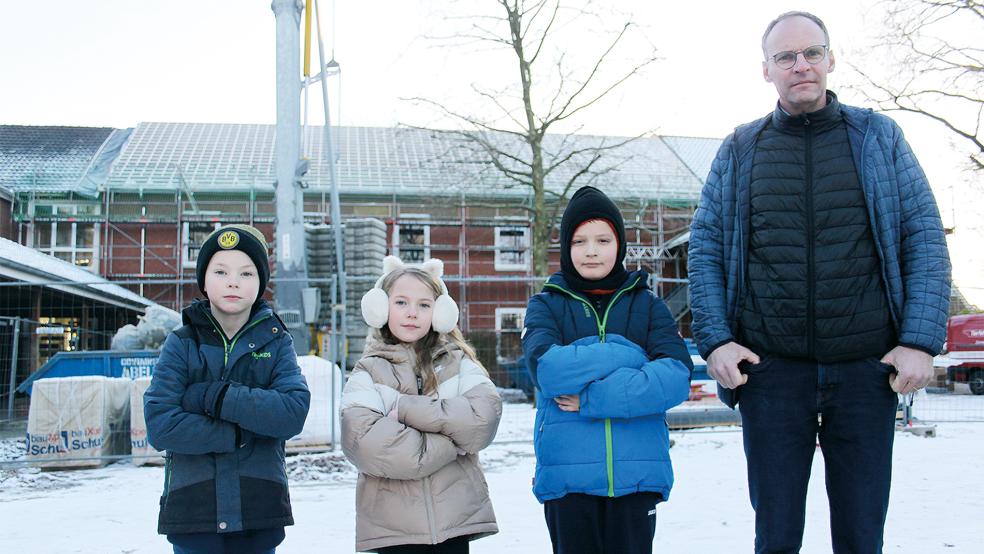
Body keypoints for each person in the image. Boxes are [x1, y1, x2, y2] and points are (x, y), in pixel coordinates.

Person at [688, 11, 951, 554]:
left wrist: (920, 340)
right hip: (771, 374)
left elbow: (923, 236)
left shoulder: (879, 138)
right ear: (767, 70)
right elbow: (706, 248)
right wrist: (715, 340)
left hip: (865, 372)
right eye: (786, 57)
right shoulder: (740, 149)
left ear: (831, 59)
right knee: (776, 537)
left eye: (811, 53)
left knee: (861, 536)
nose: (800, 65)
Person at [522, 185, 693, 554]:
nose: (592, 250)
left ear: (620, 245)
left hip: (636, 481)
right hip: (569, 483)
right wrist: (630, 355)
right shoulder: (546, 306)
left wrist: (592, 398)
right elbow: (548, 373)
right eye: (580, 241)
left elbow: (677, 377)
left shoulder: (647, 305)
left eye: (603, 239)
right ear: (566, 247)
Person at [144, 224, 311, 554]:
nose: (233, 281)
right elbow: (160, 424)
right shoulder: (181, 343)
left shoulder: (277, 342)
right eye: (220, 271)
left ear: (260, 283)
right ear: (204, 281)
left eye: (246, 273)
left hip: (259, 511)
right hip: (194, 511)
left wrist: (214, 397)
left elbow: (291, 414)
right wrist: (238, 434)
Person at [341, 255, 502, 554]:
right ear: (380, 307)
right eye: (401, 302)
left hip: (455, 523)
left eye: (424, 305)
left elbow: (482, 420)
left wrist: (404, 410)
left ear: (440, 312)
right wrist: (450, 443)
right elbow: (365, 443)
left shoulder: (459, 363)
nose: (412, 313)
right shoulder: (368, 371)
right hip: (393, 531)